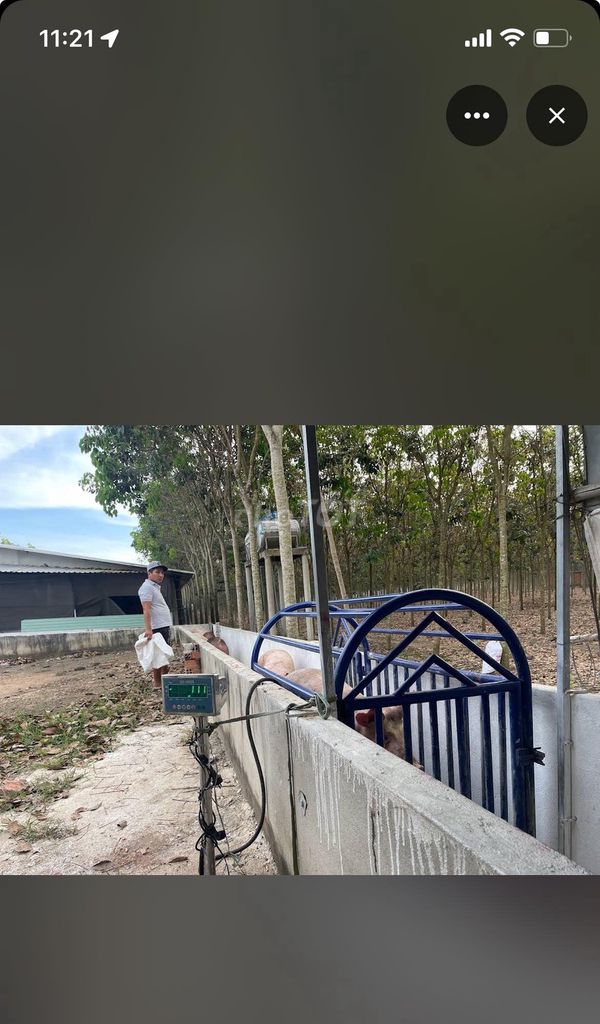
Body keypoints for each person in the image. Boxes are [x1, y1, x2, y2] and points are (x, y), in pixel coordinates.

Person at [138, 561, 173, 690]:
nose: (161, 575)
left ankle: (165, 681)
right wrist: (148, 629)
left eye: (162, 573)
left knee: (163, 654)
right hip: (157, 627)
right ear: (149, 573)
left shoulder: (154, 587)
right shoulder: (147, 588)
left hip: (162, 625)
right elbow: (146, 609)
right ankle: (158, 684)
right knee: (157, 656)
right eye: (157, 572)